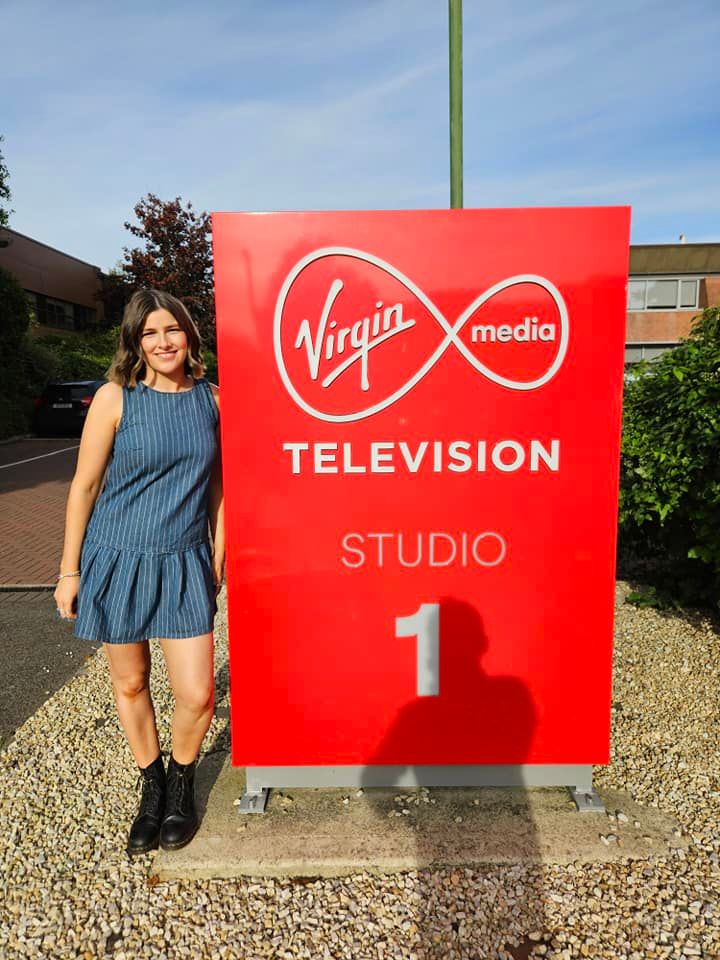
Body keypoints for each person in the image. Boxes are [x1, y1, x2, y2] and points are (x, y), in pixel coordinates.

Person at [53, 289, 223, 856]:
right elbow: (84, 487)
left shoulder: (213, 401)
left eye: (171, 329)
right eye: (150, 333)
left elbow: (220, 489)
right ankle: (152, 790)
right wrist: (69, 571)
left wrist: (219, 554)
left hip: (184, 560)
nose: (163, 341)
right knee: (130, 683)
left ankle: (181, 782)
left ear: (188, 334)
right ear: (135, 342)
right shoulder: (114, 398)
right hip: (117, 557)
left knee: (197, 694)